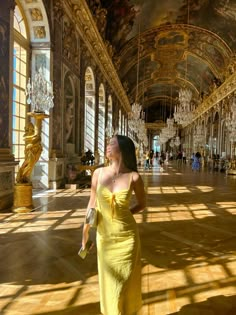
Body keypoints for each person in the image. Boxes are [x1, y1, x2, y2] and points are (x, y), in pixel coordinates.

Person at [82, 135, 146, 315]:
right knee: (110, 284)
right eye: (108, 143)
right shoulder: (98, 173)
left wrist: (122, 214)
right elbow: (92, 204)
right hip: (105, 238)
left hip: (128, 237)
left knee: (125, 283)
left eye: (112, 144)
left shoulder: (134, 177)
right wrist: (85, 231)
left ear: (123, 149)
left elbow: (142, 204)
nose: (107, 146)